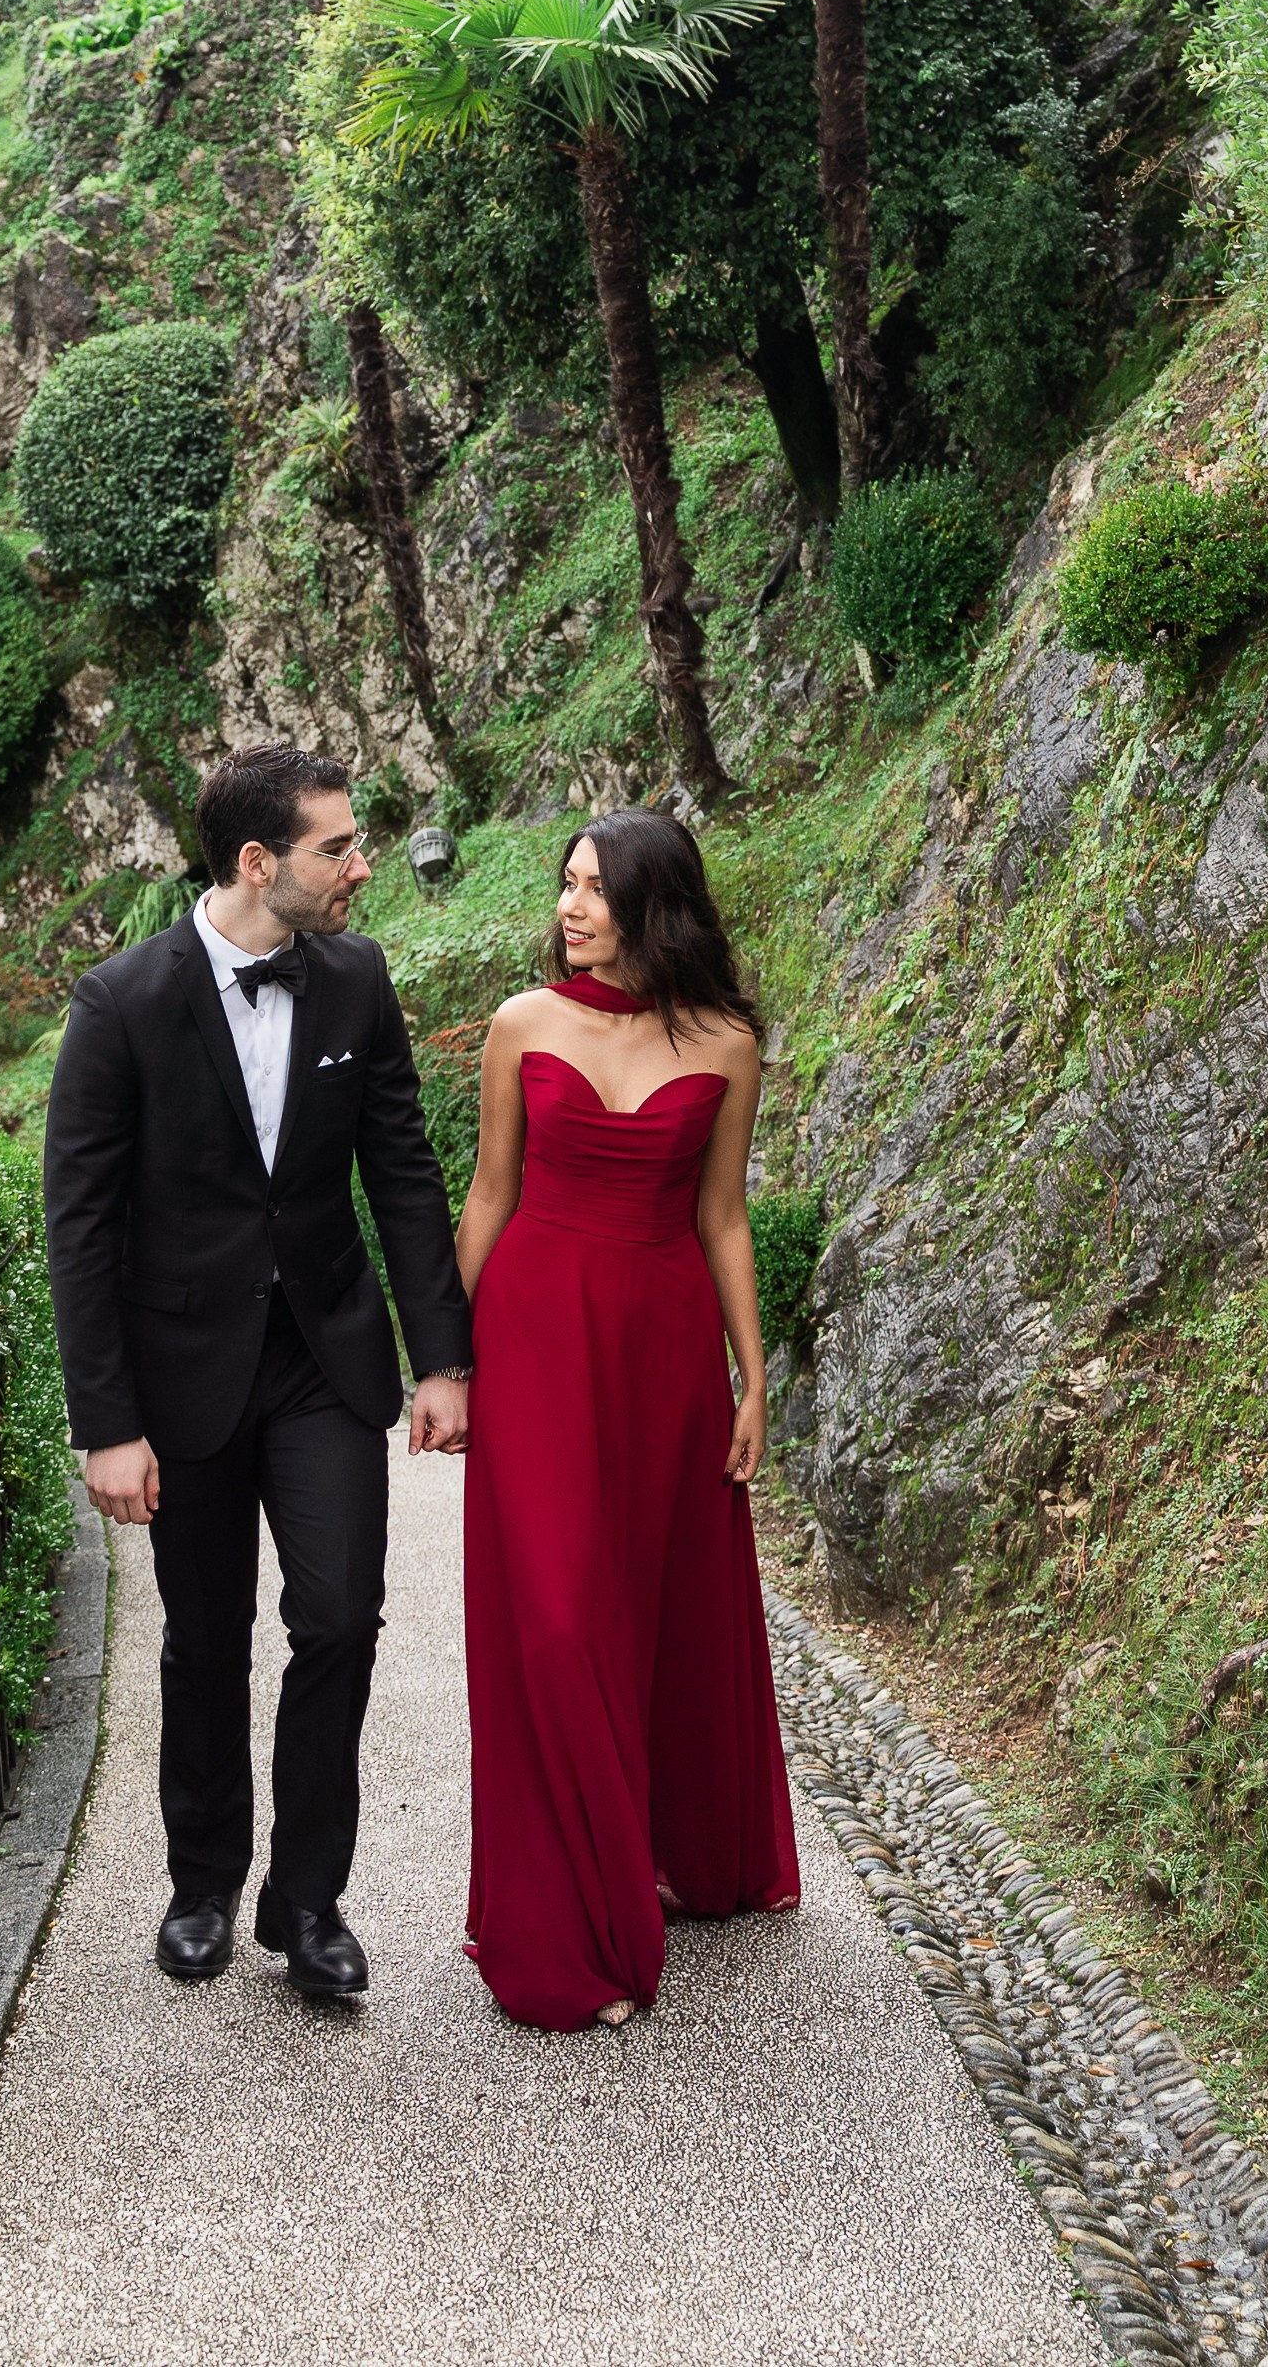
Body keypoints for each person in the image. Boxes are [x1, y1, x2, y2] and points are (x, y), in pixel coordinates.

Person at [43, 745, 473, 1999]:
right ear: (257, 862)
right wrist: (105, 1422)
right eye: (336, 846)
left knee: (339, 1620)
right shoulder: (118, 1002)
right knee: (204, 1638)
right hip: (182, 1380)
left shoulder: (355, 978)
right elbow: (79, 1222)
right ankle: (202, 1881)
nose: (360, 864)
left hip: (327, 1363)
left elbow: (401, 1171)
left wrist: (439, 1356)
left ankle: (308, 1901)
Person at [455, 810, 799, 2030]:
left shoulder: (726, 1044)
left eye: (595, 889)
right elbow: (490, 1192)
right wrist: (445, 1363)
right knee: (554, 1622)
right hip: (536, 1338)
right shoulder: (521, 1025)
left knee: (658, 1600)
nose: (570, 906)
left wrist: (752, 1377)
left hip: (661, 1350)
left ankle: (678, 1850)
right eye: (565, 884)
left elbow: (723, 1219)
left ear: (656, 904)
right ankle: (572, 1931)